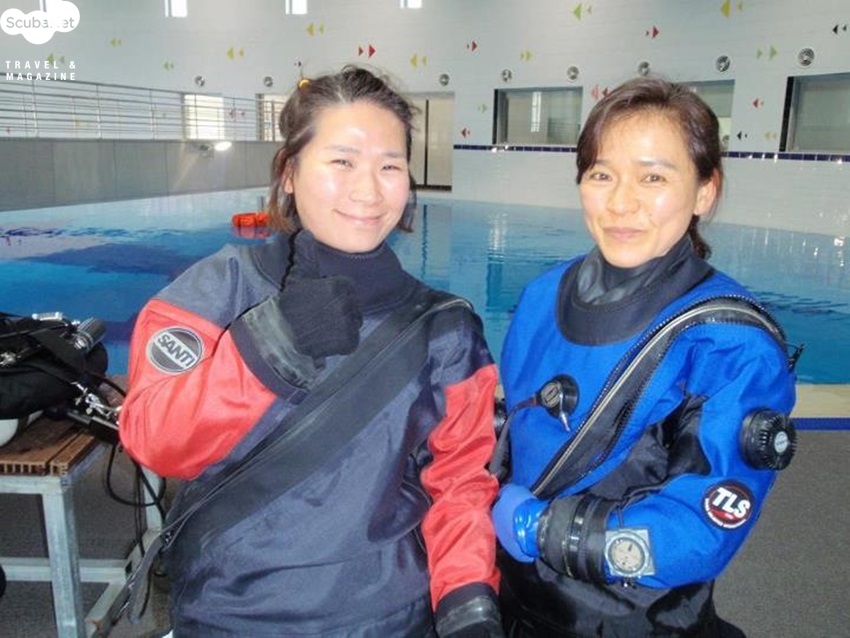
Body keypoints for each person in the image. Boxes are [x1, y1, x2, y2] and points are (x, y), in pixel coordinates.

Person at [119, 66, 503, 637]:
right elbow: (155, 441)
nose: (368, 191)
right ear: (290, 172)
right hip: (231, 613)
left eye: (390, 166)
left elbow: (461, 484)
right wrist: (272, 343)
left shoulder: (443, 327)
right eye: (342, 161)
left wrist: (468, 603)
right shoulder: (216, 291)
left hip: (389, 617)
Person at [492, 77, 798, 637]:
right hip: (513, 600)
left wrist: (539, 529)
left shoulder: (731, 344)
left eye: (653, 177)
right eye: (601, 174)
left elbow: (700, 532)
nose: (621, 202)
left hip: (636, 620)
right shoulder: (541, 297)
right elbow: (514, 428)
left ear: (704, 191)